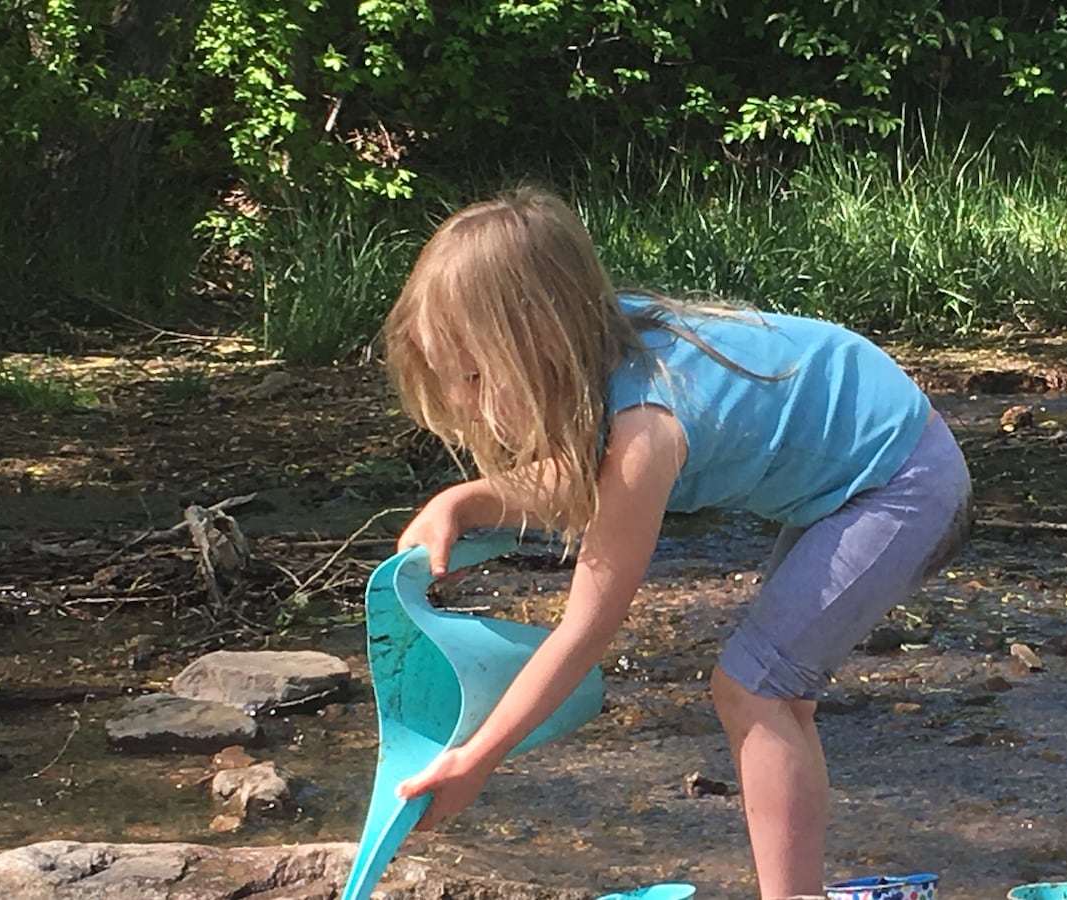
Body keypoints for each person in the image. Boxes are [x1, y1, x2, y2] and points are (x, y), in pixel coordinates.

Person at [383, 185, 972, 900]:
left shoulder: (647, 430)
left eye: (475, 377)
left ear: (542, 340)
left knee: (752, 689)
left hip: (901, 478)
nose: (466, 404)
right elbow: (575, 472)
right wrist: (467, 501)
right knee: (777, 695)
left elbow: (585, 630)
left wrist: (479, 757)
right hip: (855, 470)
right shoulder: (600, 348)